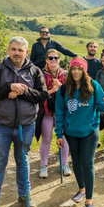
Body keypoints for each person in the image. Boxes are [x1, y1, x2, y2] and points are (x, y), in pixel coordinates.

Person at [0, 37, 48, 207]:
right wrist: (8, 87)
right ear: (8, 50)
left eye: (20, 50)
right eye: (14, 49)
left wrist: (21, 91)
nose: (17, 53)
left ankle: (25, 197)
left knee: (22, 162)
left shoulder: (35, 71)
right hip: (1, 125)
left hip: (27, 126)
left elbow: (42, 95)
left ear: (26, 52)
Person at [55, 58, 104, 207]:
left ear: (84, 70)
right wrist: (59, 134)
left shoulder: (93, 85)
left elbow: (101, 106)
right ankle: (81, 188)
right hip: (71, 132)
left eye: (79, 69)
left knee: (87, 163)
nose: (76, 72)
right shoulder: (64, 88)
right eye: (73, 69)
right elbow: (60, 112)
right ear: (70, 70)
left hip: (90, 130)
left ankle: (89, 199)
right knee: (76, 161)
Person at [37, 49, 71, 178]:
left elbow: (71, 94)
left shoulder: (66, 74)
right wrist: (53, 90)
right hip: (47, 111)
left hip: (62, 112)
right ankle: (44, 165)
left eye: (56, 58)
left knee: (64, 138)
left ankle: (64, 164)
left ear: (59, 59)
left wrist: (61, 86)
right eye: (50, 58)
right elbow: (39, 94)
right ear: (46, 60)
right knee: (47, 138)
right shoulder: (41, 75)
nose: (53, 60)